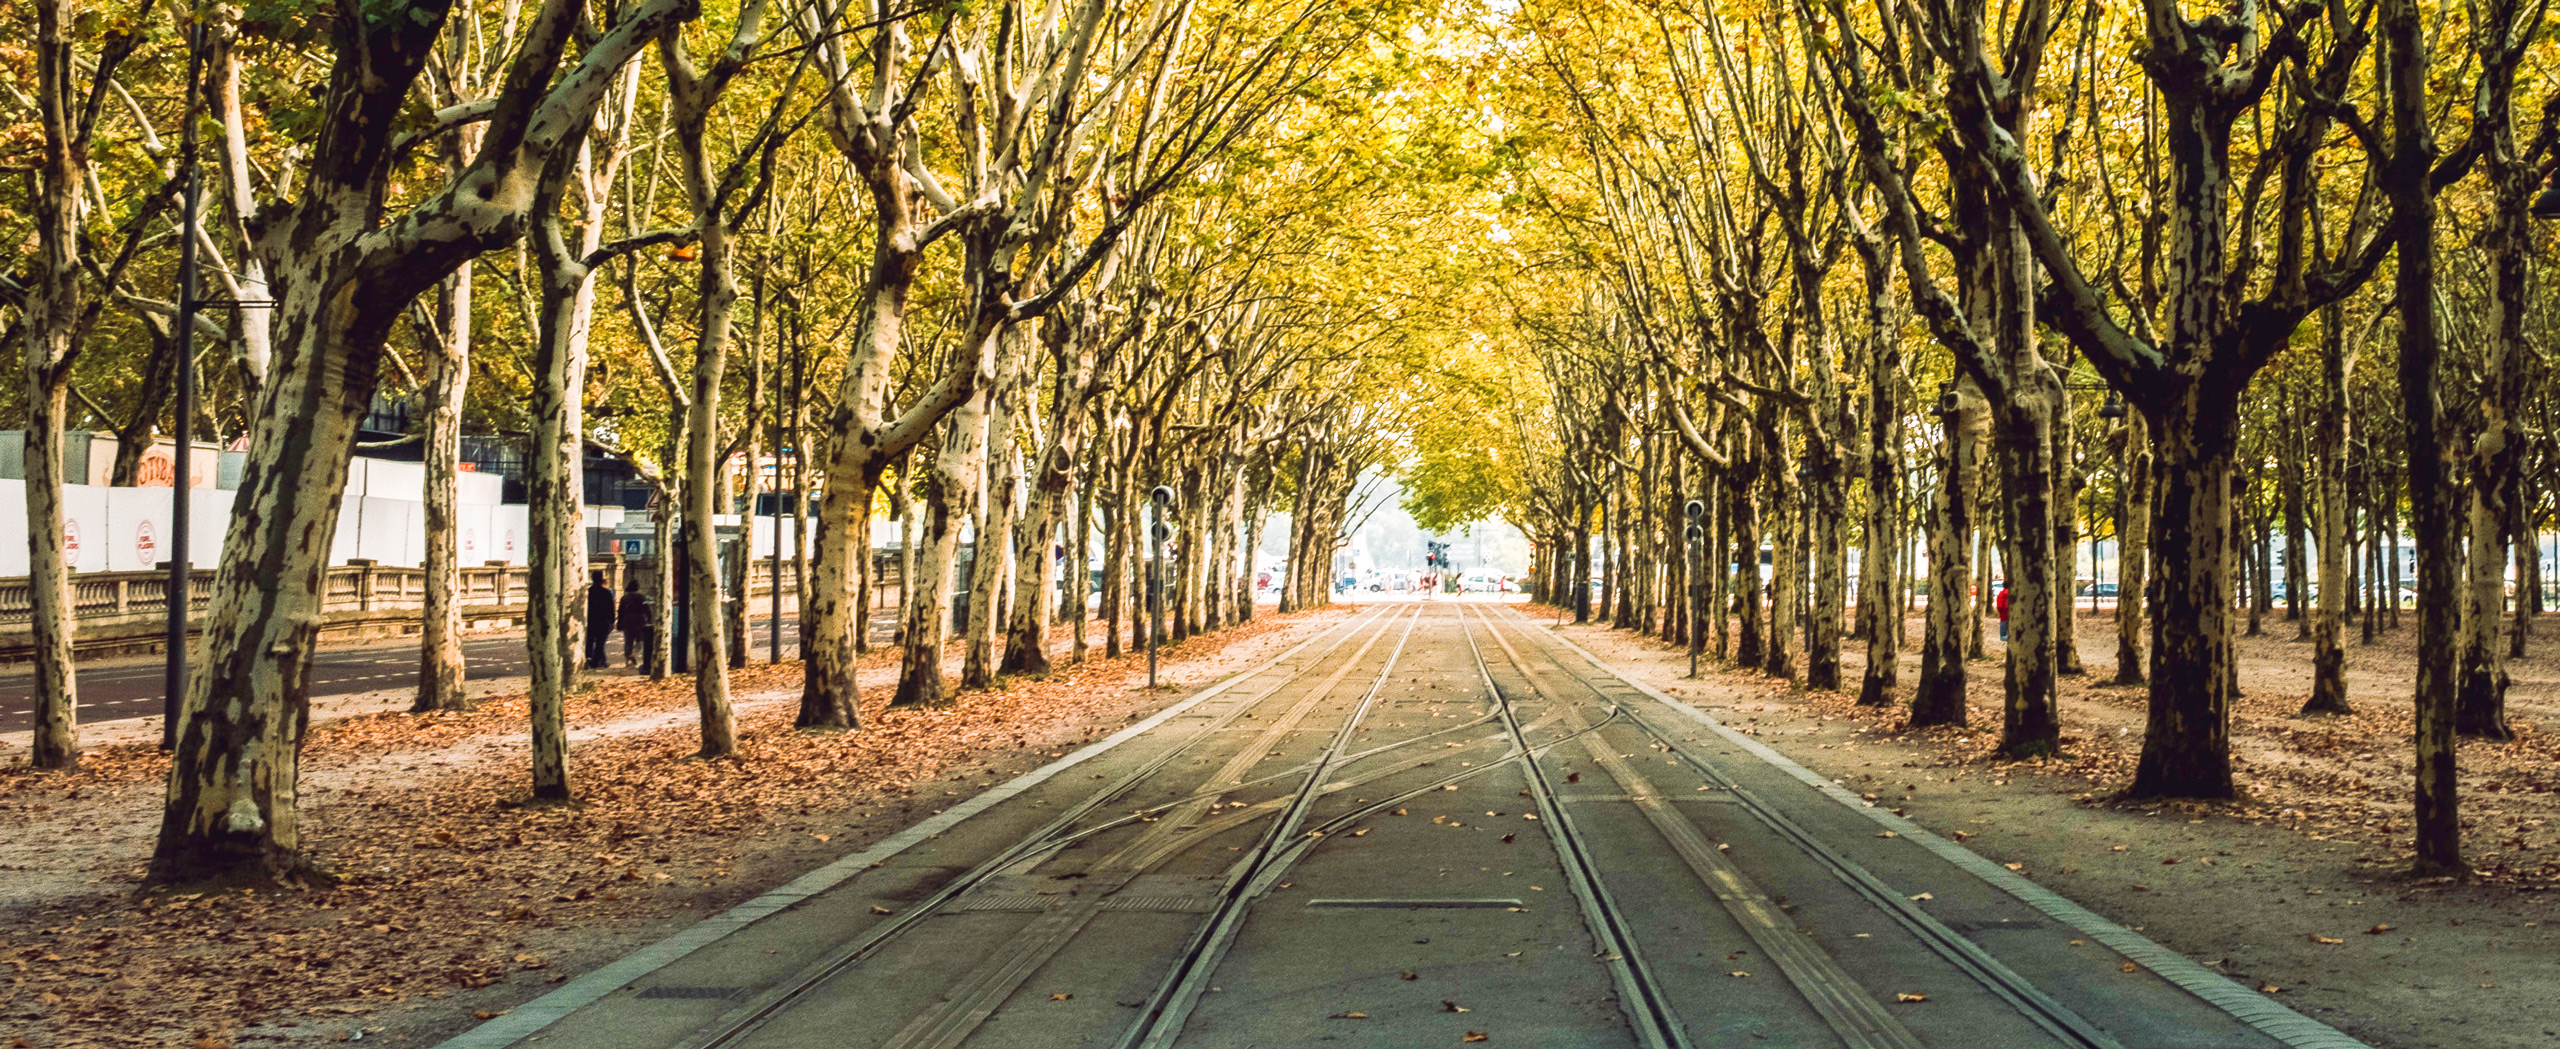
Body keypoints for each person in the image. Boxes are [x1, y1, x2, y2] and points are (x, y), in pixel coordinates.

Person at [585, 572, 616, 669]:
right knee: (600, 643)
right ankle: (595, 662)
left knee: (589, 641)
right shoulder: (606, 592)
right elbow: (611, 608)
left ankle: (589, 658)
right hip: (603, 621)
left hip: (591, 620)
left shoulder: (588, 592)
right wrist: (612, 621)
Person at [617, 587, 653, 668]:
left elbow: (620, 612)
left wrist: (619, 624)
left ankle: (627, 660)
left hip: (627, 622)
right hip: (639, 621)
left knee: (628, 641)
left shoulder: (624, 598)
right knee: (640, 641)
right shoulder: (641, 597)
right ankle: (633, 654)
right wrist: (649, 620)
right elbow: (647, 609)